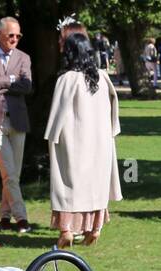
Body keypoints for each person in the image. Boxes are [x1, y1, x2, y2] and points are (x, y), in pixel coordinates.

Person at [45, 31, 121, 248]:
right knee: (95, 183)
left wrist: (52, 137)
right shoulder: (103, 77)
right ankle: (94, 228)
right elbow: (113, 111)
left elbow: (57, 114)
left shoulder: (67, 79)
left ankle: (67, 229)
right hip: (100, 140)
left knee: (67, 183)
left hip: (73, 139)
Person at [0, 17, 34, 233]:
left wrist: (1, 80)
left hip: (18, 120)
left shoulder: (24, 57)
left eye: (18, 35)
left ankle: (4, 216)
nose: (15, 39)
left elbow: (26, 86)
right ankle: (21, 218)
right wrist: (12, 79)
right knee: (9, 173)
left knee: (12, 174)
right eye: (11, 35)